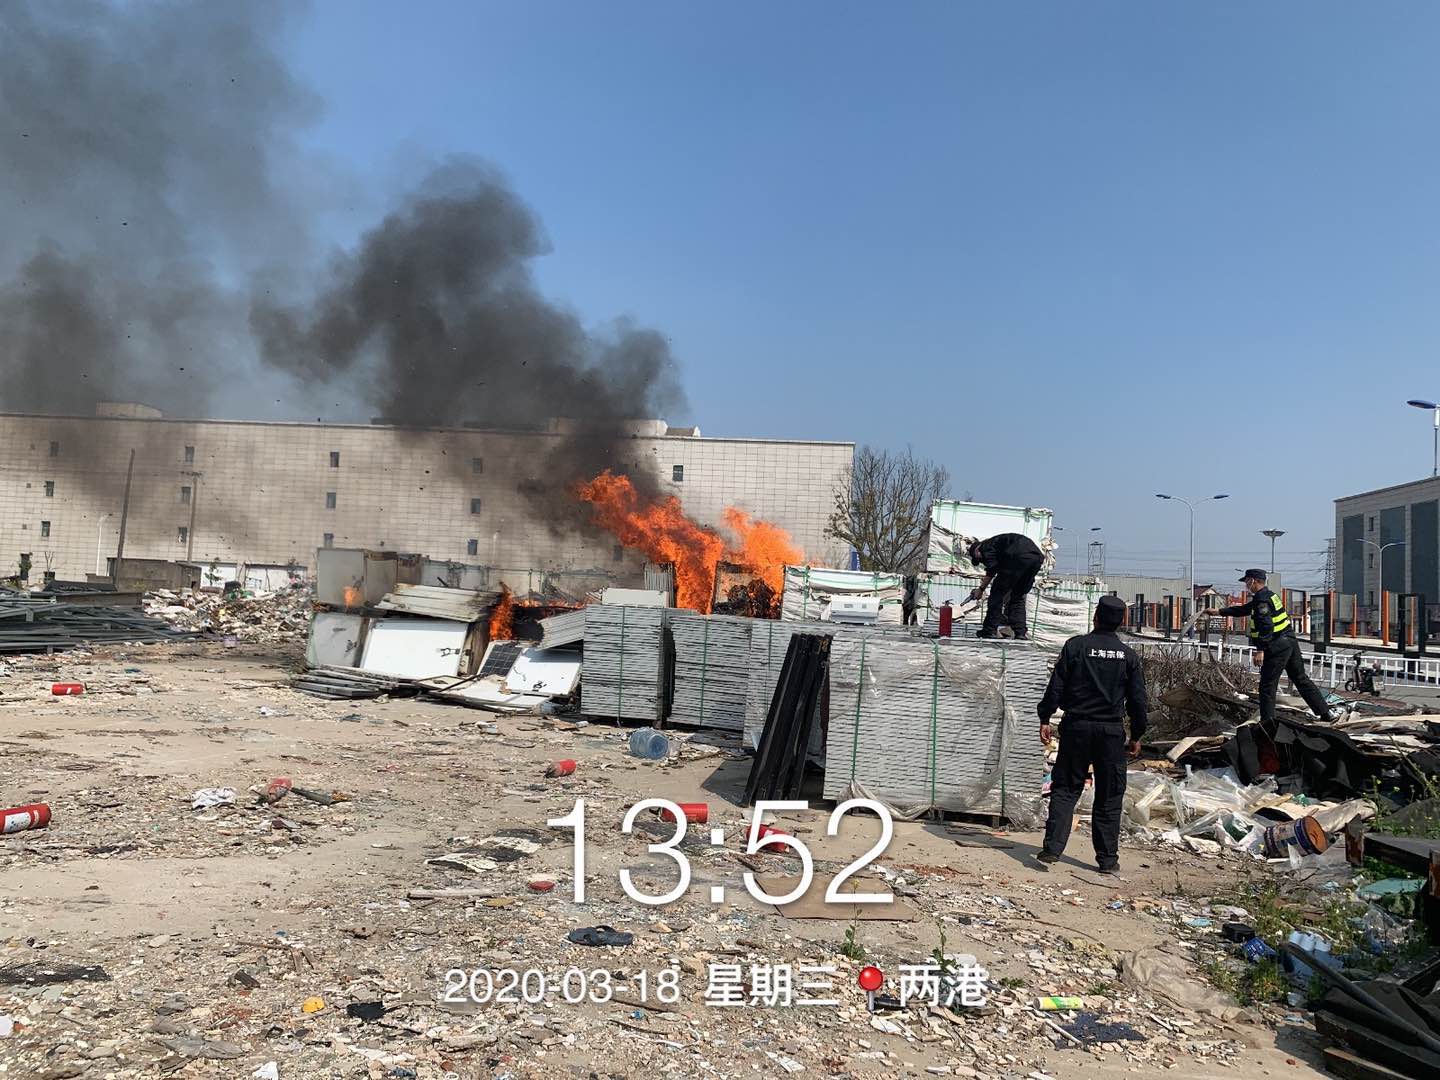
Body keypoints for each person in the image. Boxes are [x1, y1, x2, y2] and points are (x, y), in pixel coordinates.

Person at [1035, 595, 1146, 874]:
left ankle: (1052, 849)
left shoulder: (1075, 647)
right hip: (1111, 732)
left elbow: (1056, 686)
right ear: (1121, 622)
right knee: (1109, 794)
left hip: (1076, 727)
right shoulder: (1128, 656)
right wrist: (1137, 735)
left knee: (1066, 788)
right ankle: (1107, 861)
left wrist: (1045, 717)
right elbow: (1137, 701)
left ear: (1095, 616)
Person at [1203, 570, 1333, 723]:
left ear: (1253, 581)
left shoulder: (1261, 600)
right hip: (1289, 641)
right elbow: (1244, 609)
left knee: (1267, 685)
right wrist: (1219, 611)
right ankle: (1325, 713)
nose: (1246, 585)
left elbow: (1266, 626)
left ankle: (1267, 723)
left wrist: (1260, 650)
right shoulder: (1269, 595)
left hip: (1277, 644)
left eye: (1247, 581)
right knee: (1300, 678)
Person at [967, 533, 1045, 639]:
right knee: (1017, 597)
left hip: (1017, 557)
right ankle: (1020, 633)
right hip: (1036, 559)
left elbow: (991, 570)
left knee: (997, 594)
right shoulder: (999, 545)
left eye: (979, 559)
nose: (982, 561)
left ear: (977, 550)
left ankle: (989, 630)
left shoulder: (985, 547)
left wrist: (980, 590)